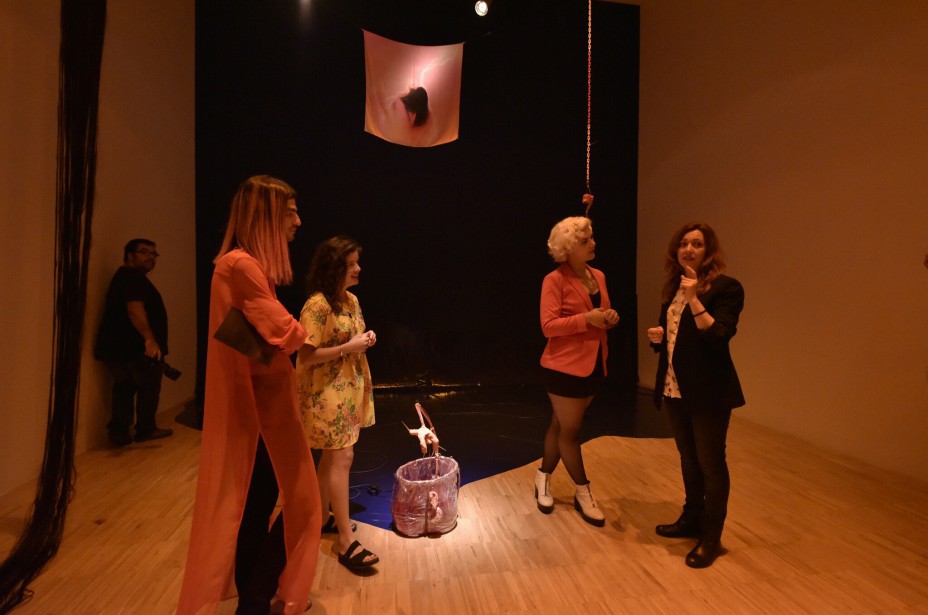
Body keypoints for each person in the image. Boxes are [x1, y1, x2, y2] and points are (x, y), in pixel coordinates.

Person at [177, 176, 322, 615]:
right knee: (300, 503)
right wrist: (299, 334)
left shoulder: (239, 266)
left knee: (259, 505)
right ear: (266, 217)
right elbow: (286, 331)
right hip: (262, 407)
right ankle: (258, 598)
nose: (298, 221)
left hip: (264, 401)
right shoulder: (240, 266)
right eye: (290, 213)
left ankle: (255, 600)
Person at [646, 222, 745, 569]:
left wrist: (693, 298)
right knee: (688, 459)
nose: (689, 249)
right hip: (675, 388)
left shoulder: (726, 288)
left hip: (710, 392)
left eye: (697, 244)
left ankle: (711, 536)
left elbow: (718, 336)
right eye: (683, 243)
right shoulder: (673, 286)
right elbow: (677, 338)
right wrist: (658, 338)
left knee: (711, 464)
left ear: (709, 251)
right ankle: (691, 518)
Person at [296, 236, 378, 571]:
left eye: (357, 262)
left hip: (347, 388)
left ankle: (322, 518)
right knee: (342, 457)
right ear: (334, 269)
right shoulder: (316, 306)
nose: (358, 269)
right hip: (326, 392)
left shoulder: (351, 300)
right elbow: (305, 355)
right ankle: (345, 541)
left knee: (333, 457)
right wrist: (348, 348)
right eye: (351, 264)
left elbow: (352, 338)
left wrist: (365, 339)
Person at [536, 216, 619, 526]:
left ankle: (542, 477)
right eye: (585, 241)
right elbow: (548, 326)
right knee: (570, 433)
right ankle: (583, 492)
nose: (593, 244)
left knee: (560, 426)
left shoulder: (598, 275)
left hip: (594, 363)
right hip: (564, 367)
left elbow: (600, 313)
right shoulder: (554, 280)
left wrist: (609, 317)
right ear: (568, 248)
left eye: (591, 238)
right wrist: (587, 319)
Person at [94, 238, 173, 446]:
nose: (151, 257)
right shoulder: (132, 278)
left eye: (154, 254)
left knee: (124, 388)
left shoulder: (125, 277)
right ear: (129, 255)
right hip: (135, 349)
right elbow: (134, 309)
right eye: (144, 252)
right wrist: (150, 340)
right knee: (148, 388)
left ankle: (120, 433)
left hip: (119, 348)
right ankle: (146, 429)